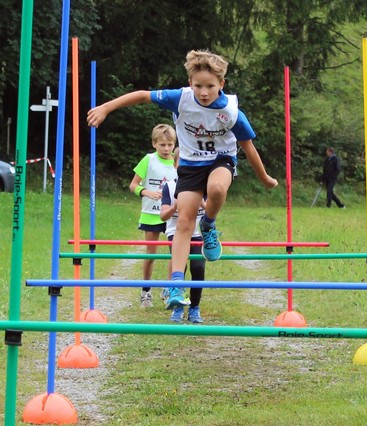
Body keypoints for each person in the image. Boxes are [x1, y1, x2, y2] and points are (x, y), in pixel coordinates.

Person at [88, 49, 278, 310]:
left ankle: (209, 225)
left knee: (217, 188)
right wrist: (106, 107)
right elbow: (143, 95)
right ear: (190, 83)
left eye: (210, 86)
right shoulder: (180, 99)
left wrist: (265, 177)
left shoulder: (232, 113)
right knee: (185, 222)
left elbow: (248, 147)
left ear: (221, 85)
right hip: (189, 164)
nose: (203, 92)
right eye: (198, 85)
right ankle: (176, 284)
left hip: (221, 160)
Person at [129, 124, 178, 308]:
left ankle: (169, 290)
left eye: (170, 144)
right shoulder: (148, 160)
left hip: (172, 215)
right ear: (154, 144)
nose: (166, 149)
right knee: (151, 255)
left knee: (175, 254)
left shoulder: (177, 161)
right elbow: (133, 185)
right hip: (151, 214)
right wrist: (146, 192)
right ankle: (146, 292)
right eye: (162, 145)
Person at [160, 147, 206, 323]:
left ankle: (194, 307)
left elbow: (212, 211)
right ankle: (178, 307)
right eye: (182, 162)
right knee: (180, 267)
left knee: (198, 267)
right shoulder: (170, 187)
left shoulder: (204, 185)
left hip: (197, 233)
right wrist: (174, 207)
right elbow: (163, 215)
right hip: (176, 232)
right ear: (175, 165)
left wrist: (200, 202)